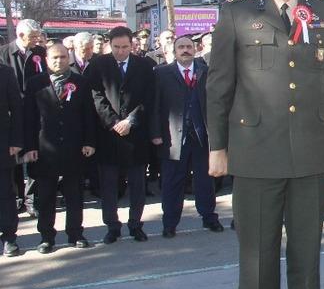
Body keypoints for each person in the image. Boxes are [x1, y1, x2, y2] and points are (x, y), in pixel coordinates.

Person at [206, 0, 324, 289]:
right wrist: (218, 147)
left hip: (311, 157)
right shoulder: (236, 14)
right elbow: (219, 87)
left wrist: (323, 129)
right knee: (257, 264)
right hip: (255, 156)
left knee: (307, 262)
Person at [22, 44, 96, 253]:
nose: (59, 61)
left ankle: (75, 233)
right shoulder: (35, 83)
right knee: (45, 197)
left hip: (74, 148)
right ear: (46, 59)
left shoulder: (80, 82)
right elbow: (29, 118)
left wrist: (89, 142)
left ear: (68, 58)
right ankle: (46, 237)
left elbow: (88, 115)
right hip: (44, 149)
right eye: (54, 58)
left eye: (63, 57)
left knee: (74, 195)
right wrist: (29, 147)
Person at [85, 26, 154, 244]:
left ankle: (135, 224)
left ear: (132, 44)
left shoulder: (145, 65)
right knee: (109, 185)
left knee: (137, 184)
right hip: (108, 135)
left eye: (125, 47)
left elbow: (149, 99)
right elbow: (96, 97)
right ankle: (112, 226)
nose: (121, 51)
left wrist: (131, 121)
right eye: (116, 47)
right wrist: (114, 122)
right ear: (109, 44)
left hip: (136, 135)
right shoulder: (98, 65)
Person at [150, 36, 222, 237]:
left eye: (189, 47)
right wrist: (156, 133)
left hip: (201, 137)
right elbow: (155, 105)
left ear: (195, 49)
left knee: (205, 181)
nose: (185, 50)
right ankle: (170, 223)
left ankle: (209, 218)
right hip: (173, 138)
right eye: (181, 47)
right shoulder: (161, 73)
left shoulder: (205, 72)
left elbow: (215, 103)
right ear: (174, 50)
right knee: (172, 182)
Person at [0, 19, 46, 218]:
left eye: (38, 37)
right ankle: (17, 198)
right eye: (33, 37)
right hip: (12, 115)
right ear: (20, 36)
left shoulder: (39, 54)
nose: (37, 41)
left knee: (34, 154)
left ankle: (31, 199)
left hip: (35, 111)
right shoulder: (4, 53)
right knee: (15, 159)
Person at [0, 62, 23, 257]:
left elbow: (17, 108)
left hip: (2, 143)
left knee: (5, 193)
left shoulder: (5, 73)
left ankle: (9, 237)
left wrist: (16, 140)